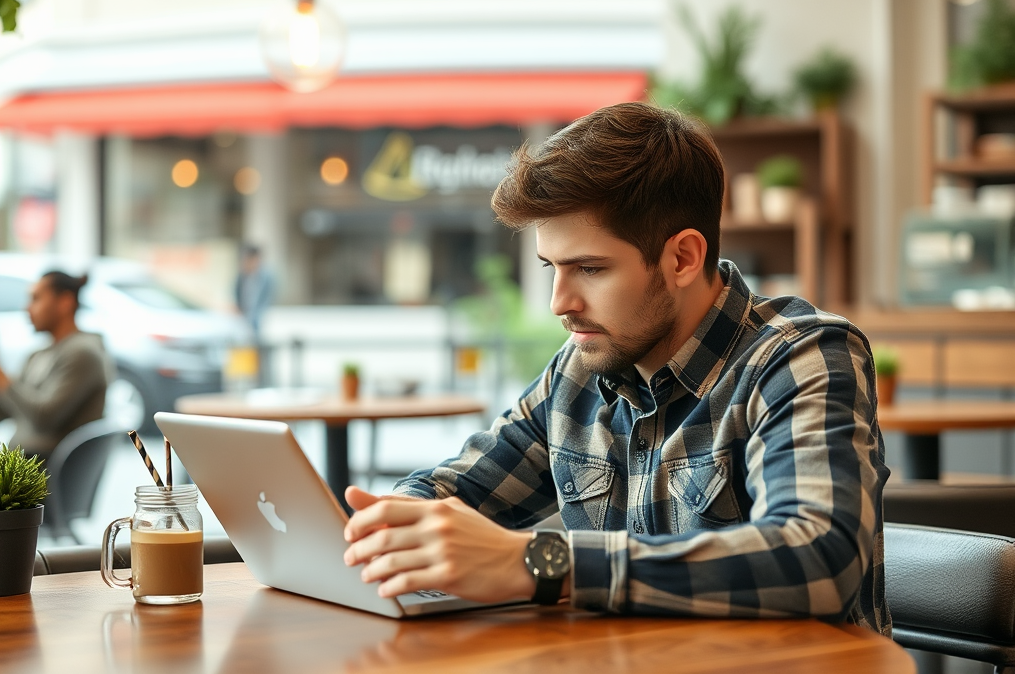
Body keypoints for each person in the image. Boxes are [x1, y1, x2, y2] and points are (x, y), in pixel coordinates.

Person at [341, 102, 891, 634]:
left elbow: (817, 558)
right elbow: (453, 492)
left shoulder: (801, 356)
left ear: (682, 258)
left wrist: (541, 562)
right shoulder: (577, 372)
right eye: (551, 267)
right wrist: (397, 524)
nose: (559, 301)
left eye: (590, 268)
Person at [0, 271, 111, 459]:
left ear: (65, 302)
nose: (27, 309)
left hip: (45, 471)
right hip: (19, 464)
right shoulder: (38, 354)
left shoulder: (83, 353)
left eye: (36, 299)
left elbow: (44, 419)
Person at [234, 244, 275, 339]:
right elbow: (238, 295)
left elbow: (266, 300)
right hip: (244, 321)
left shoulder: (266, 277)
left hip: (259, 321)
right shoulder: (242, 277)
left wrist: (255, 318)